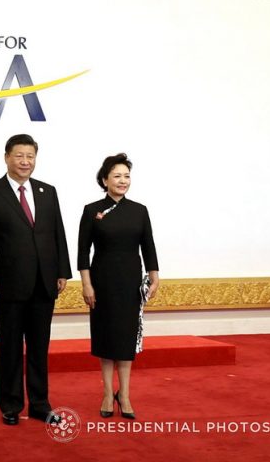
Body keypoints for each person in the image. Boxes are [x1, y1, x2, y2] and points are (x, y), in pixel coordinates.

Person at [0, 134, 72, 425]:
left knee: (39, 347)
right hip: (9, 283)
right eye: (20, 156)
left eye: (30, 156)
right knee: (10, 346)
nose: (25, 161)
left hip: (44, 282)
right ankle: (10, 404)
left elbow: (58, 233)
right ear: (7, 157)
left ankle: (40, 403)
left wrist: (61, 271)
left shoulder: (47, 191)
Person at [77, 153, 159, 420]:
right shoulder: (93, 210)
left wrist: (154, 275)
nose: (123, 181)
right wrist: (86, 285)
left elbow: (148, 247)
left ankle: (124, 394)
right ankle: (105, 393)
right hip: (101, 283)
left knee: (125, 339)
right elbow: (82, 253)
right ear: (105, 180)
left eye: (126, 176)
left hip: (130, 283)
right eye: (117, 176)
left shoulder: (139, 210)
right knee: (105, 338)